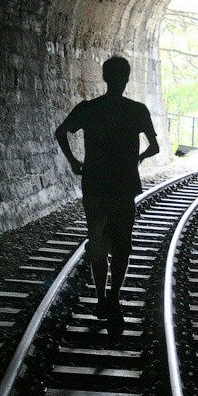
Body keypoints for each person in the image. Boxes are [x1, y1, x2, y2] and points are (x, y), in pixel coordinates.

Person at [54, 56, 160, 330]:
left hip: (95, 183)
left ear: (104, 77)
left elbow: (61, 132)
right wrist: (138, 159)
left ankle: (101, 296)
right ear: (125, 79)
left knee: (97, 238)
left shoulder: (90, 108)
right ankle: (114, 296)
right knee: (122, 242)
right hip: (124, 184)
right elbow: (154, 147)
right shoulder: (137, 110)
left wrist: (74, 161)